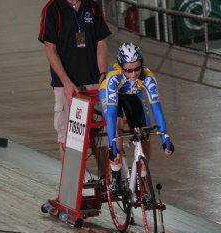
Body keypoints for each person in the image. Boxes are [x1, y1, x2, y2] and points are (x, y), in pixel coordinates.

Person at [38, 0, 111, 172]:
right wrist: (66, 83)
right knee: (69, 141)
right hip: (67, 87)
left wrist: (102, 75)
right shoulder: (52, 9)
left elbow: (101, 43)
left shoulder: (92, 7)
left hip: (94, 83)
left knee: (103, 137)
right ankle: (69, 194)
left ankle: (106, 187)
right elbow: (50, 48)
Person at [99, 43, 174, 181]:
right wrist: (111, 146)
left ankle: (141, 180)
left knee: (145, 134)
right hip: (111, 95)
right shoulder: (113, 79)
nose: (133, 74)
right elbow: (111, 115)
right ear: (121, 67)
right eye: (128, 70)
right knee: (116, 131)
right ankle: (115, 175)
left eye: (137, 69)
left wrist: (165, 139)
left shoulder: (148, 78)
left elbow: (157, 109)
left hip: (133, 96)